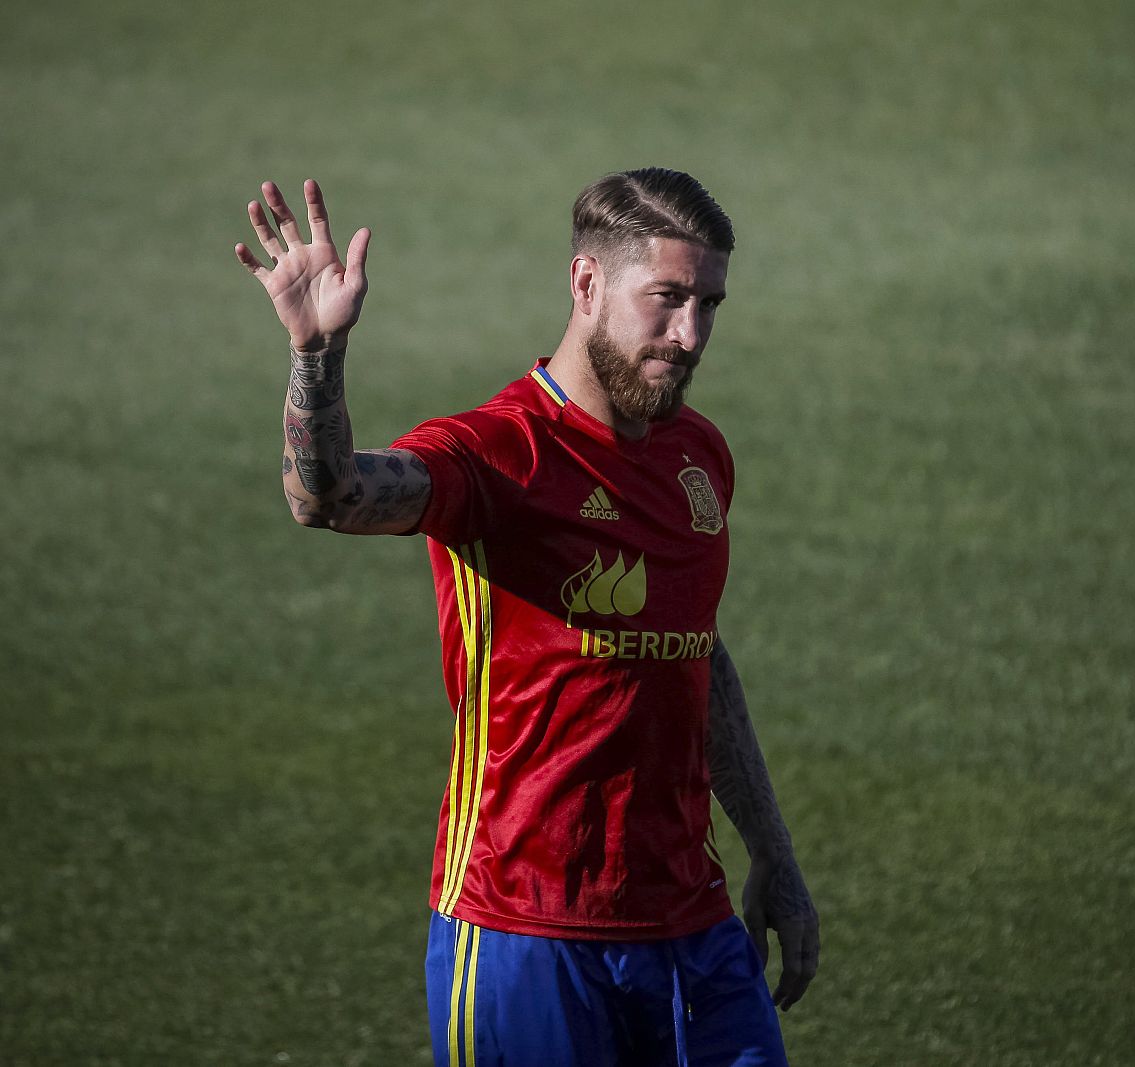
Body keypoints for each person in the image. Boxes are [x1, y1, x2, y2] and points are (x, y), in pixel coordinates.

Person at [235, 169, 819, 1067]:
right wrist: (317, 355)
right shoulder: (496, 453)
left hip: (690, 926)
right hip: (524, 932)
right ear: (586, 283)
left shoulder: (698, 456)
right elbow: (329, 497)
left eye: (709, 304)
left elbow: (694, 653)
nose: (691, 335)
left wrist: (770, 847)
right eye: (667, 299)